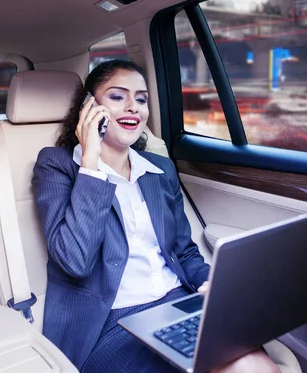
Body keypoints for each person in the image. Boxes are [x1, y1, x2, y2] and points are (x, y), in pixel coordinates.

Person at [33, 60, 279, 373]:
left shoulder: (159, 169)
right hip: (109, 324)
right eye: (118, 97)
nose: (133, 107)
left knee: (255, 365)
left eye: (141, 99)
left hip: (179, 303)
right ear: (89, 107)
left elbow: (185, 252)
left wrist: (211, 285)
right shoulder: (57, 165)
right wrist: (90, 162)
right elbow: (75, 261)